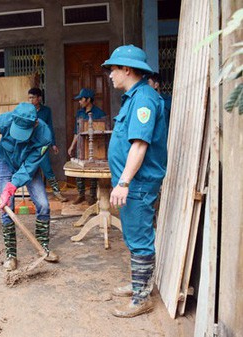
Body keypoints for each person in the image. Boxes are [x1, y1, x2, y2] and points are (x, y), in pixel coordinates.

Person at [102, 45, 167, 318]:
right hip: (132, 182)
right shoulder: (133, 97)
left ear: (127, 70)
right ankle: (140, 284)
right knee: (133, 235)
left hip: (137, 183)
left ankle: (142, 298)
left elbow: (140, 145)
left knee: (139, 238)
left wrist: (125, 182)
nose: (110, 75)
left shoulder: (144, 99)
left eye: (113, 69)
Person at [0, 102, 59, 271]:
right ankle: (11, 255)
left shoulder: (44, 135)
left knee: (43, 204)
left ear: (35, 124)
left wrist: (10, 187)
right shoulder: (5, 120)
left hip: (30, 168)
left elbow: (29, 167)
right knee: (6, 207)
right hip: (7, 163)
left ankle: (43, 248)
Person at [67, 88, 107, 205]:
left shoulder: (100, 114)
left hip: (94, 147)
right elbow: (77, 132)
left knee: (93, 170)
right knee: (79, 170)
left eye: (81, 99)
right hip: (81, 146)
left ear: (88, 99)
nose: (79, 101)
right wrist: (72, 146)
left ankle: (93, 196)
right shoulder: (80, 113)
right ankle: (81, 194)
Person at [27, 87, 67, 202]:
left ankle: (57, 192)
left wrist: (53, 144)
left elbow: (50, 127)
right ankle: (34, 193)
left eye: (33, 98)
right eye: (29, 98)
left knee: (47, 168)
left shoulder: (46, 111)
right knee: (32, 169)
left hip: (42, 145)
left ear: (39, 98)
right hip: (30, 145)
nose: (30, 100)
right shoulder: (27, 111)